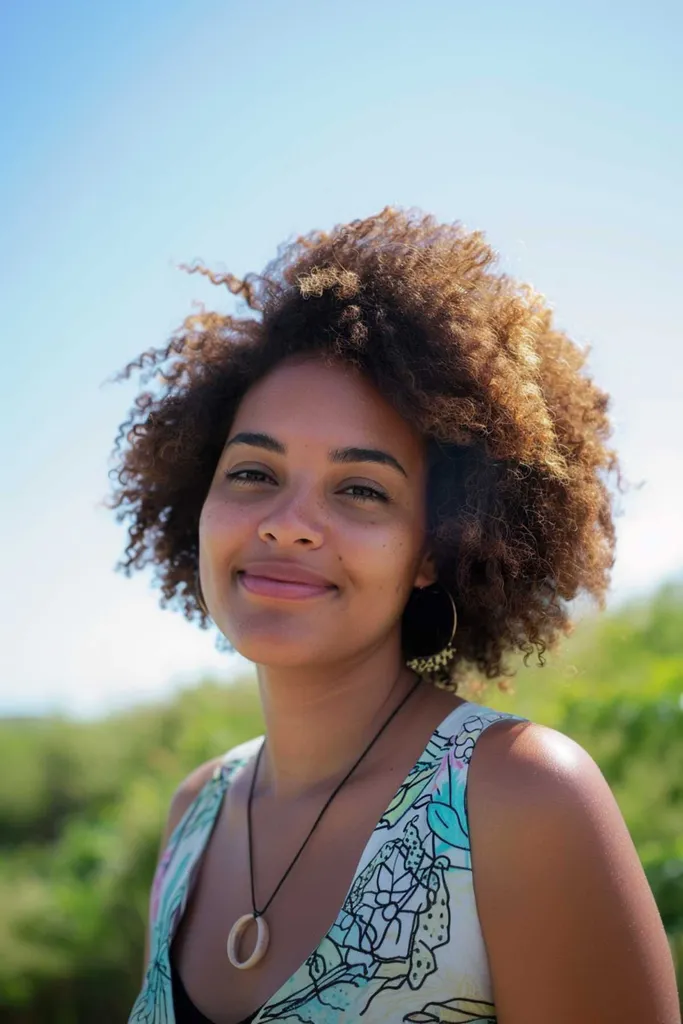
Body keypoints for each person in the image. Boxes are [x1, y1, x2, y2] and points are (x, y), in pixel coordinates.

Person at [110, 208, 679, 1023]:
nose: (286, 521)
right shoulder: (195, 813)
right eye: (251, 472)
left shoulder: (520, 801)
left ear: (431, 551)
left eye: (361, 489)